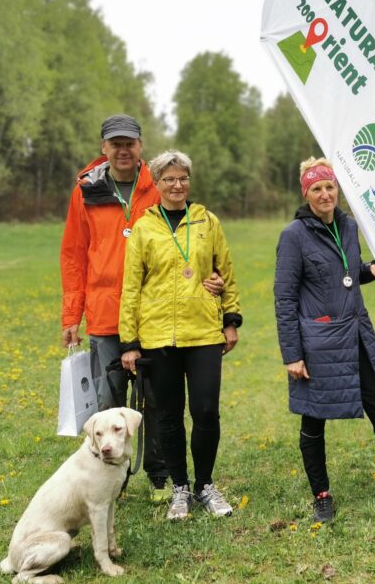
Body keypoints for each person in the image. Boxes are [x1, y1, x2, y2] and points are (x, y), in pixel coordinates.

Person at [274, 158, 375, 523]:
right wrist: (292, 354)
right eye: (316, 188)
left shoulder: (349, 225)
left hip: (356, 334)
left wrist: (369, 270)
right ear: (305, 193)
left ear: (336, 189)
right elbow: (284, 298)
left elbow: (346, 271)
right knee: (313, 420)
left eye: (329, 187)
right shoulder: (293, 235)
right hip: (317, 342)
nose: (325, 194)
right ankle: (321, 494)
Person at [119, 150, 242, 521]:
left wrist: (230, 319)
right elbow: (131, 287)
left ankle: (205, 484)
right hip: (157, 337)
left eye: (183, 178)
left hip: (203, 331)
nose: (177, 185)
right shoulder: (143, 227)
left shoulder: (207, 221)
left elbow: (227, 272)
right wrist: (129, 342)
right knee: (169, 415)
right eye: (169, 179)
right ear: (156, 184)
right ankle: (180, 488)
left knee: (205, 411)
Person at [59, 114, 171, 498]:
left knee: (156, 401)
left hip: (153, 314)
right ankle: (112, 483)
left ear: (141, 146)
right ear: (103, 148)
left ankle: (158, 477)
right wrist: (72, 315)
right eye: (115, 144)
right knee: (108, 405)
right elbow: (74, 255)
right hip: (105, 316)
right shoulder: (85, 191)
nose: (123, 150)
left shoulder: (159, 186)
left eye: (130, 143)